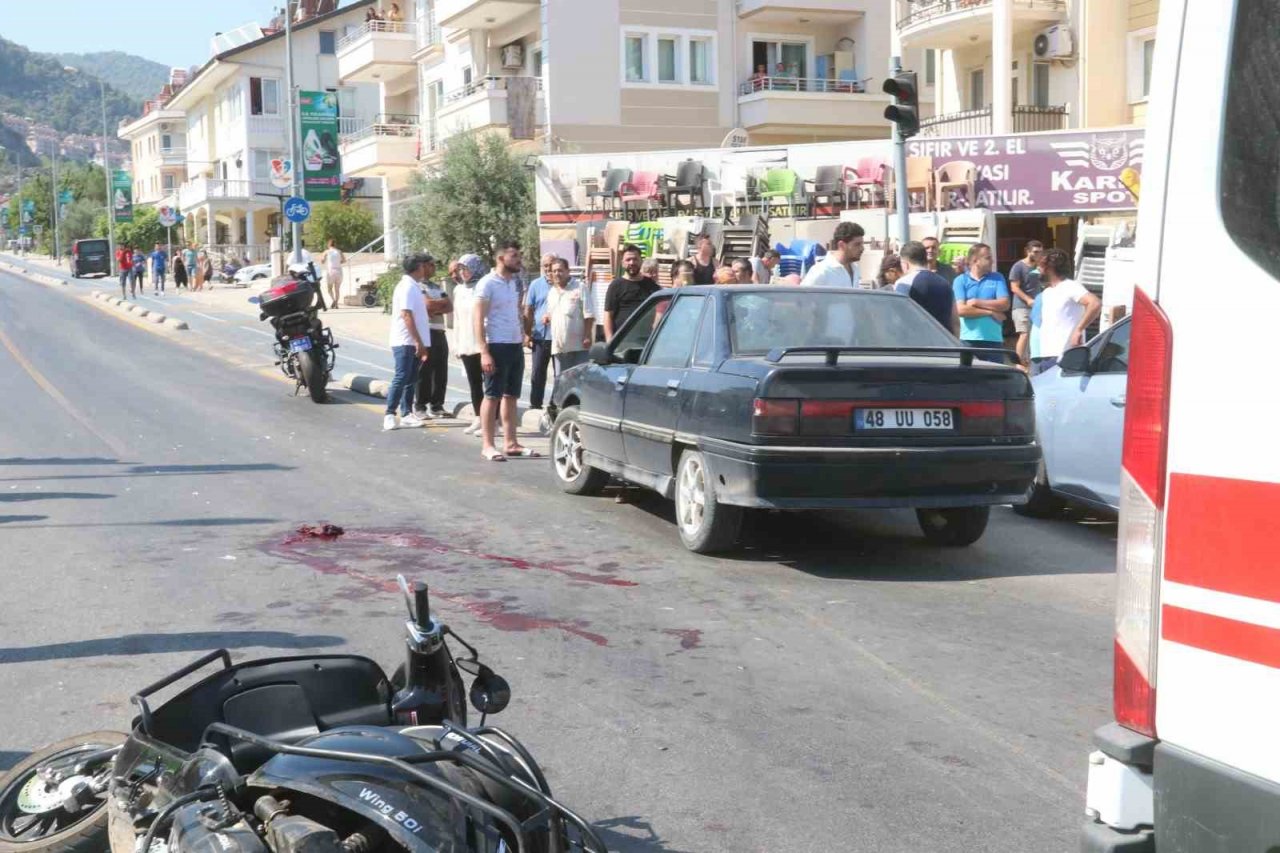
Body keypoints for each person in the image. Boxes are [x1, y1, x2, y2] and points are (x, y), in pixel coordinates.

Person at [476, 241, 538, 462]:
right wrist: (484, 351)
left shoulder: (514, 283)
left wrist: (523, 335)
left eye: (519, 256)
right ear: (501, 258)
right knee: (492, 395)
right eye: (514, 256)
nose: (519, 260)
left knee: (511, 395)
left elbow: (517, 313)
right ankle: (487, 445)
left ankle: (510, 442)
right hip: (496, 345)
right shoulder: (487, 284)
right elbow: (478, 319)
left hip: (514, 345)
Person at [383, 253, 433, 431]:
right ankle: (390, 413)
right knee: (402, 376)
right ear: (418, 267)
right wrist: (418, 341)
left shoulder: (414, 286)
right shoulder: (406, 287)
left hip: (413, 341)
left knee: (411, 378)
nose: (427, 268)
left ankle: (406, 413)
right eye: (425, 265)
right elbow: (406, 314)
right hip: (405, 340)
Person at [1034, 248, 1101, 375]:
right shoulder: (1047, 292)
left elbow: (1094, 303)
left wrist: (1079, 329)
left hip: (1066, 356)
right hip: (1047, 354)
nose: (1038, 270)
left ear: (1049, 268)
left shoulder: (1070, 286)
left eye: (1040, 266)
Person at [952, 243, 1010, 361]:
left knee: (995, 378)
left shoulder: (997, 277)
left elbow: (1004, 304)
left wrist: (976, 301)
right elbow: (961, 310)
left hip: (993, 340)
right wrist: (990, 313)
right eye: (988, 258)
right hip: (968, 340)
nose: (992, 261)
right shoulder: (960, 280)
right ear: (975, 260)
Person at [412, 255, 452, 419]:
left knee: (441, 370)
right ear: (422, 266)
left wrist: (435, 307)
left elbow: (449, 305)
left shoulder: (436, 286)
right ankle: (420, 405)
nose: (433, 267)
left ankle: (437, 405)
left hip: (439, 331)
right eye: (430, 265)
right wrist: (436, 305)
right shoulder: (417, 286)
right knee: (424, 370)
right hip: (425, 331)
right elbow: (426, 306)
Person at [452, 254, 488, 436]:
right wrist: (456, 343)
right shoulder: (459, 291)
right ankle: (478, 417)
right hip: (466, 342)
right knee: (474, 383)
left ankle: (492, 420)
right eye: (460, 269)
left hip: (482, 343)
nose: (463, 272)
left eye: (466, 268)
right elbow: (457, 319)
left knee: (489, 383)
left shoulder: (482, 288)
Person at [542, 257, 595, 376]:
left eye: (560, 270)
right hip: (559, 347)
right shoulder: (552, 292)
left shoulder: (580, 287)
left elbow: (589, 314)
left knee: (580, 380)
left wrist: (587, 336)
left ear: (567, 271)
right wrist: (547, 317)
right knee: (562, 381)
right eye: (554, 271)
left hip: (579, 346)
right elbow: (552, 314)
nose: (557, 274)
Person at [898, 240, 959, 334]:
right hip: (944, 343)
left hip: (916, 342)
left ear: (905, 263)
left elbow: (898, 316)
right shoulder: (945, 283)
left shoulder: (904, 283)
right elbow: (955, 321)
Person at [603, 244, 659, 338]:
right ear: (622, 263)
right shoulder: (616, 286)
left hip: (645, 341)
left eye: (635, 259)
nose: (632, 262)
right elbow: (608, 315)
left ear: (641, 261)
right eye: (628, 260)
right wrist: (610, 341)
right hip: (621, 343)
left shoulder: (651, 285)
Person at [522, 254, 555, 410]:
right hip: (540, 336)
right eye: (545, 266)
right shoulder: (535, 285)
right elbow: (529, 310)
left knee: (560, 374)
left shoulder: (563, 283)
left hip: (559, 337)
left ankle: (555, 405)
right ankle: (535, 404)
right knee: (537, 373)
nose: (548, 269)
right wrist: (527, 333)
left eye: (551, 265)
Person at [1009, 239, 1044, 366]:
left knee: (1035, 334)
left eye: (1040, 252)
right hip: (1021, 306)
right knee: (1024, 334)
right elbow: (1014, 287)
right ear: (1027, 251)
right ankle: (1018, 364)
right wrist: (1028, 299)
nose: (1038, 255)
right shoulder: (1018, 266)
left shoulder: (1040, 267)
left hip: (1037, 306)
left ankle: (1030, 362)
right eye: (1035, 252)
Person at [801, 221, 864, 287]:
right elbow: (801, 296)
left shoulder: (855, 268)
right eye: (857, 245)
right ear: (842, 245)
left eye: (862, 244)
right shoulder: (821, 271)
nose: (862, 248)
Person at [323, 238, 345, 309]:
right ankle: (336, 303)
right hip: (339, 271)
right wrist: (339, 262)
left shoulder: (326, 252)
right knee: (337, 289)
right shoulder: (339, 251)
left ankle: (334, 301)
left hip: (331, 271)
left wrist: (325, 261)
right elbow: (344, 260)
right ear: (335, 244)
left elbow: (322, 261)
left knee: (329, 289)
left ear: (328, 244)